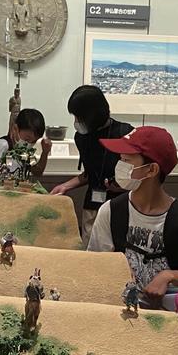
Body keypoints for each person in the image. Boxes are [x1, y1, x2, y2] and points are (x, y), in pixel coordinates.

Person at [87, 126, 178, 310]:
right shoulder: (110, 211)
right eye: (120, 159)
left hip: (167, 317)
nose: (120, 166)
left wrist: (169, 276)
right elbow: (95, 261)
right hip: (120, 313)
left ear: (151, 170)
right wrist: (116, 268)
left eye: (127, 160)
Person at [51, 86, 134, 244]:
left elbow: (141, 176)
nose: (76, 122)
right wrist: (65, 186)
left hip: (122, 206)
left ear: (92, 115)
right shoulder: (81, 137)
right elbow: (90, 173)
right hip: (92, 206)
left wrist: (124, 186)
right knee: (90, 248)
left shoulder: (125, 133)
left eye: (79, 117)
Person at [0, 108, 51, 177]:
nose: (29, 144)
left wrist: (45, 152)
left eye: (33, 142)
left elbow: (37, 172)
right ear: (15, 129)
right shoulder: (3, 145)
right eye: (27, 139)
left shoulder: (24, 152)